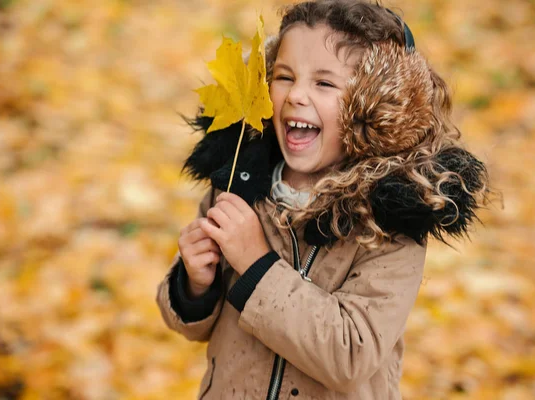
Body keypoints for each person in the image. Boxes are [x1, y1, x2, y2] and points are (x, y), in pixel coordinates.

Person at [156, 0, 490, 398]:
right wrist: (195, 284)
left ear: (375, 107)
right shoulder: (241, 182)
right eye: (284, 76)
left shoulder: (390, 221)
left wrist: (257, 264)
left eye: (324, 83)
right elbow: (191, 324)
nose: (296, 95)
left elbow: (350, 356)